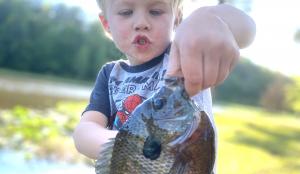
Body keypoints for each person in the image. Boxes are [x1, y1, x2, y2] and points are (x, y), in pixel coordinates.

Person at [73, 0, 255, 161]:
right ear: (107, 24)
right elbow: (85, 130)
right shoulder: (110, 74)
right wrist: (131, 144)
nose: (142, 23)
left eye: (156, 11)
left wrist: (208, 18)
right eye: (126, 12)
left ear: (177, 18)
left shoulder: (184, 58)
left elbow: (247, 29)